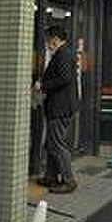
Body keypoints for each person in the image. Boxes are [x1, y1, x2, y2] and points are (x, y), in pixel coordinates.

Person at [34, 25, 78, 194]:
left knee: (57, 144)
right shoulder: (63, 53)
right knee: (51, 143)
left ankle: (69, 180)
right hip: (60, 107)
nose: (46, 43)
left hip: (60, 107)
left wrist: (43, 85)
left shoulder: (63, 54)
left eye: (48, 40)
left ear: (55, 39)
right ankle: (51, 177)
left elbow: (64, 78)